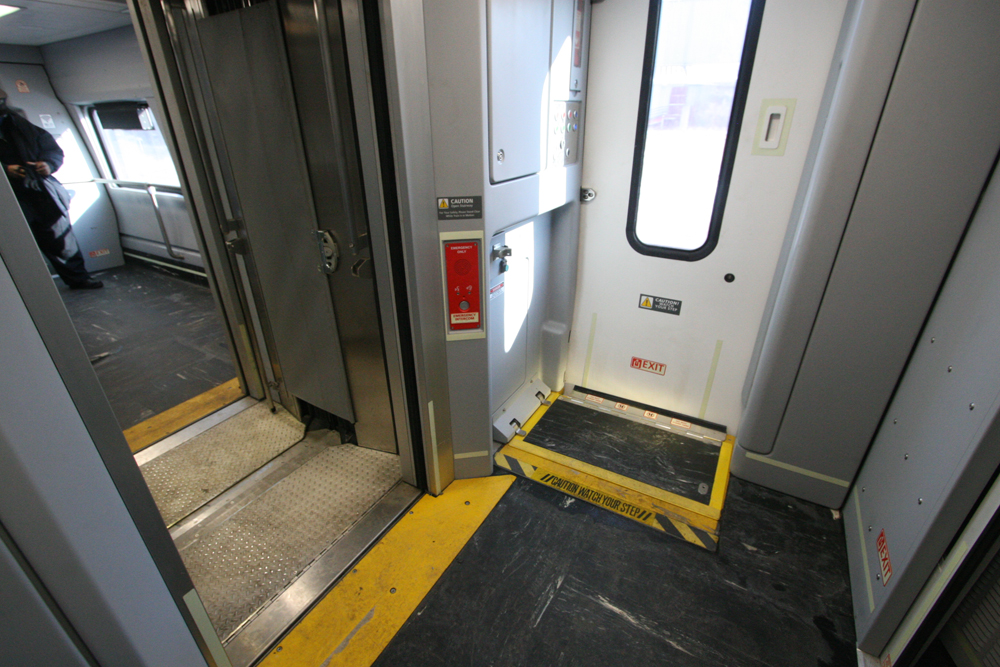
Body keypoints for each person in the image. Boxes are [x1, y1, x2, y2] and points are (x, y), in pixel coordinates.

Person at [0, 85, 102, 289]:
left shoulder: (18, 122)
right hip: (8, 198)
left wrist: (48, 164)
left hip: (40, 191)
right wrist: (4, 170)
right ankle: (28, 291)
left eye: (2, 100)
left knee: (61, 241)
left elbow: (51, 149)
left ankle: (79, 279)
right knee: (17, 246)